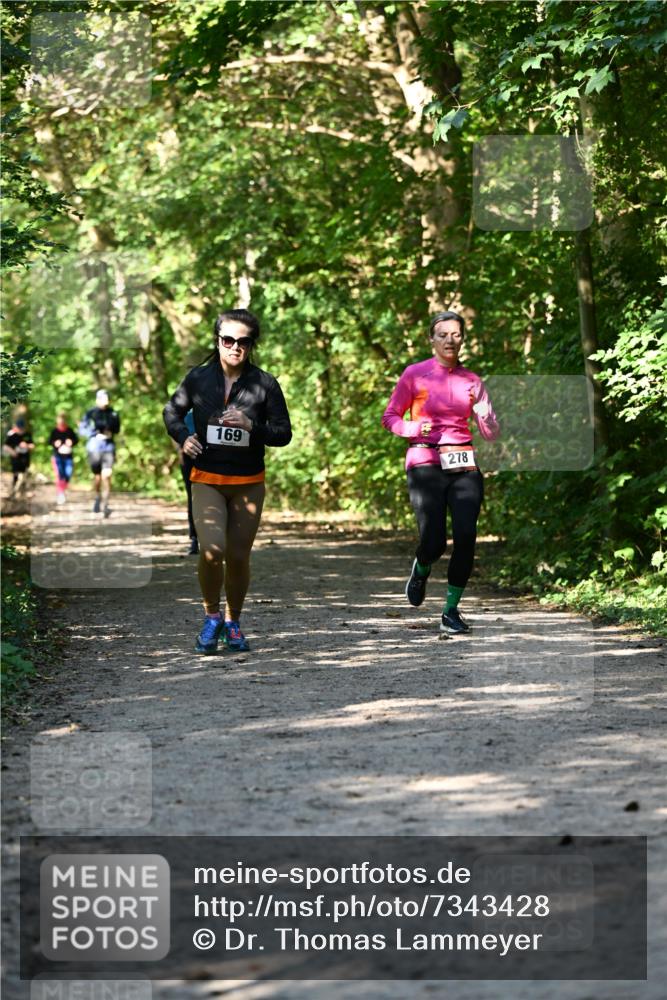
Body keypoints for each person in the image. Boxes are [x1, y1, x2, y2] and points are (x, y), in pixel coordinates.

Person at [163, 308, 292, 654]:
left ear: (251, 346)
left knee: (237, 556)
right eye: (228, 340)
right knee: (211, 550)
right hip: (206, 477)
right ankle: (211, 617)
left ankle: (233, 622)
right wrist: (183, 437)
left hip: (248, 482)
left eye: (244, 342)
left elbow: (283, 434)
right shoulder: (198, 378)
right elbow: (172, 412)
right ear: (218, 340)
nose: (235, 347)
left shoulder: (265, 384)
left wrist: (252, 427)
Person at [382, 310, 500, 637]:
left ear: (463, 339)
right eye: (443, 334)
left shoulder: (473, 381)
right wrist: (413, 427)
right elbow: (390, 417)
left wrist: (485, 416)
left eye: (456, 334)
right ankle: (421, 568)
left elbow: (490, 433)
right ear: (431, 339)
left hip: (463, 464)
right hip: (425, 461)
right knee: (434, 541)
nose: (450, 340)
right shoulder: (415, 375)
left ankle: (450, 611)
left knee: (466, 537)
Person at [80, 389, 121, 516]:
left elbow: (118, 429)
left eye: (107, 398)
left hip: (108, 447)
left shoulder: (113, 413)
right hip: (94, 448)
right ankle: (97, 498)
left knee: (107, 475)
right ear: (98, 399)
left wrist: (110, 431)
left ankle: (106, 504)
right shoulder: (90, 413)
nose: (106, 401)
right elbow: (82, 429)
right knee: (97, 477)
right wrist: (94, 434)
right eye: (103, 398)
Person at [175, 410, 198, 555]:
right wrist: (179, 449)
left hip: (208, 452)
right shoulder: (182, 402)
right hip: (187, 454)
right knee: (192, 496)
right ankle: (195, 538)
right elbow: (173, 427)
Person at [48, 412, 78, 505]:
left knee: (67, 474)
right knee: (60, 475)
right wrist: (55, 443)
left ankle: (62, 490)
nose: (61, 421)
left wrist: (71, 442)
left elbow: (76, 440)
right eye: (60, 419)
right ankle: (61, 493)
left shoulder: (69, 430)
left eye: (63, 419)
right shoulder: (55, 431)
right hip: (58, 457)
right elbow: (49, 441)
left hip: (68, 457)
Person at [4, 416, 34, 498]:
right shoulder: (12, 436)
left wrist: (26, 445)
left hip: (25, 460)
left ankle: (22, 494)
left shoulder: (27, 435)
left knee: (24, 476)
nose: (21, 430)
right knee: (16, 475)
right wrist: (12, 452)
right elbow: (5, 446)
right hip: (15, 460)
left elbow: (32, 446)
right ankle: (13, 492)